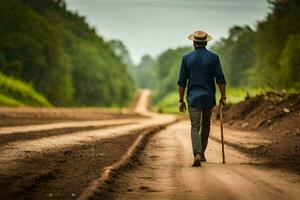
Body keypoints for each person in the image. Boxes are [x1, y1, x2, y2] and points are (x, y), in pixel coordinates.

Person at [177, 31, 226, 167]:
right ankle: (202, 153)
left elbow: (182, 82)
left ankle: (197, 154)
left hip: (193, 98)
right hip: (208, 97)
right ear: (206, 42)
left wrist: (181, 100)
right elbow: (220, 79)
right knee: (206, 125)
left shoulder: (187, 58)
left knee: (195, 126)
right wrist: (223, 96)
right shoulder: (214, 58)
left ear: (194, 42)